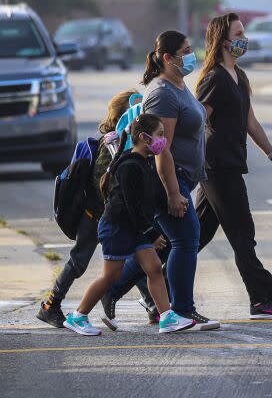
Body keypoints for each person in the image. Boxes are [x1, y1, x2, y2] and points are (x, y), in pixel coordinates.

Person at [108, 30, 219, 330]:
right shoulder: (161, 94)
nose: (190, 54)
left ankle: (110, 291)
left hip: (183, 176)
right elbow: (161, 148)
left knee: (159, 245)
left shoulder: (178, 84)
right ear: (167, 58)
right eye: (185, 50)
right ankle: (183, 310)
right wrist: (172, 192)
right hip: (169, 177)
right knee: (186, 239)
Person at [192, 13, 272, 320]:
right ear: (223, 41)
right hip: (217, 166)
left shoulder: (239, 76)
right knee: (242, 233)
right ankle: (261, 300)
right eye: (238, 34)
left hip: (231, 164)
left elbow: (250, 121)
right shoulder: (214, 78)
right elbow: (198, 120)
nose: (244, 39)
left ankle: (145, 280)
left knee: (197, 235)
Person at [36, 90, 161, 328]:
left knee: (139, 256)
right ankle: (51, 305)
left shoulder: (126, 142)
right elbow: (102, 180)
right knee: (79, 262)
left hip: (111, 216)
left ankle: (154, 306)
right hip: (96, 215)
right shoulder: (112, 142)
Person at [63, 114, 195, 336]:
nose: (163, 140)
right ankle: (78, 316)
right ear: (144, 138)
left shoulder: (145, 163)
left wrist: (172, 200)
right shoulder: (129, 166)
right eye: (159, 135)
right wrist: (151, 232)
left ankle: (167, 317)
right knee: (111, 276)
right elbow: (132, 206)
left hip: (134, 228)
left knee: (153, 267)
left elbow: (149, 197)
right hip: (117, 228)